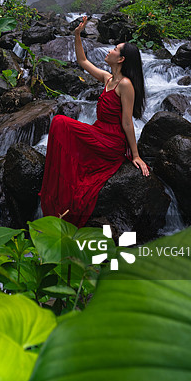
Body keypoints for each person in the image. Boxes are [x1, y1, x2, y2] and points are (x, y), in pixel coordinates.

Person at [39, 15, 149, 227]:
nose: (109, 50)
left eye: (115, 50)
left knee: (61, 122)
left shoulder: (125, 85)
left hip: (111, 142)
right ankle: (57, 190)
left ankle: (58, 194)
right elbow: (82, 62)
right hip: (98, 132)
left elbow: (127, 122)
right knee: (61, 125)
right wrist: (77, 35)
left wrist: (135, 155)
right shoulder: (108, 78)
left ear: (121, 60)